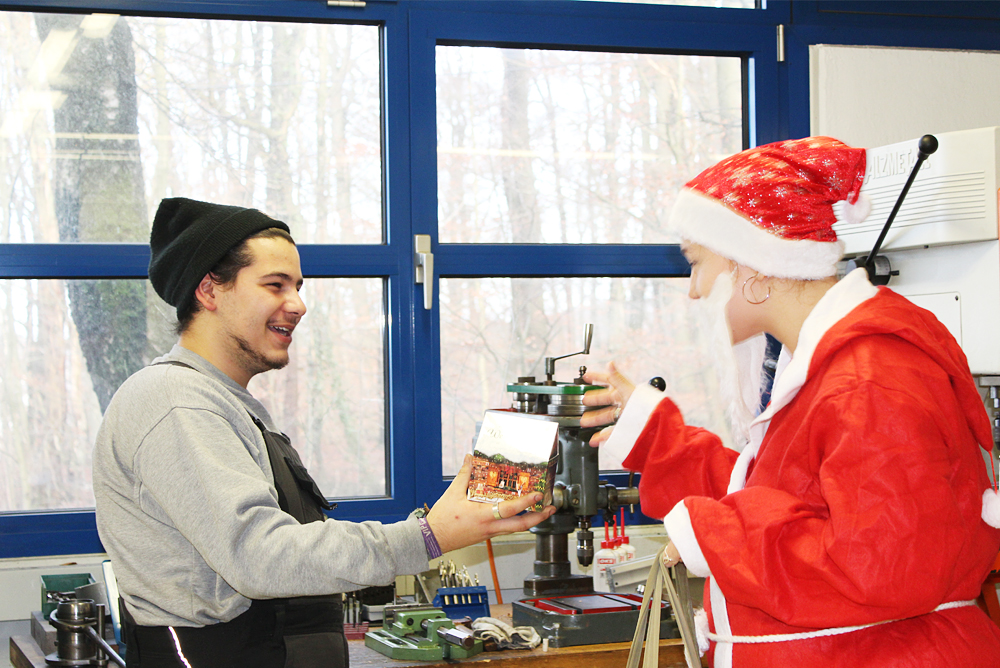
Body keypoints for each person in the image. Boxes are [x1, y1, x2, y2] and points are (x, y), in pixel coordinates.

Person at [580, 137, 1000, 667]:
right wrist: (650, 430)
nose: (694, 290)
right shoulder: (827, 367)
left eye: (698, 264)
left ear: (754, 267)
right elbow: (778, 498)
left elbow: (881, 565)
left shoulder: (869, 379)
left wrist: (711, 537)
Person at [93, 197, 555, 668]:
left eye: (297, 286)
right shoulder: (176, 401)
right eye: (275, 285)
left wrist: (431, 526)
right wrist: (427, 536)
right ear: (210, 291)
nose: (298, 304)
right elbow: (261, 556)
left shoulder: (229, 404)